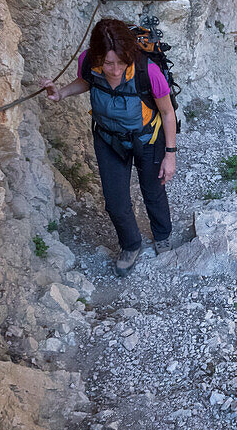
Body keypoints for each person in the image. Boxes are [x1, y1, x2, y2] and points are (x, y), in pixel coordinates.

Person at [40, 18, 178, 275]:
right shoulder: (89, 61)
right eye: (108, 63)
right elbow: (87, 81)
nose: (114, 70)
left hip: (148, 138)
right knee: (115, 202)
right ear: (97, 56)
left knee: (153, 190)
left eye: (120, 63)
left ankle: (163, 235)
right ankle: (130, 244)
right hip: (107, 138)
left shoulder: (148, 71)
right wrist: (61, 94)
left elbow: (168, 113)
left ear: (129, 55)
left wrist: (170, 155)